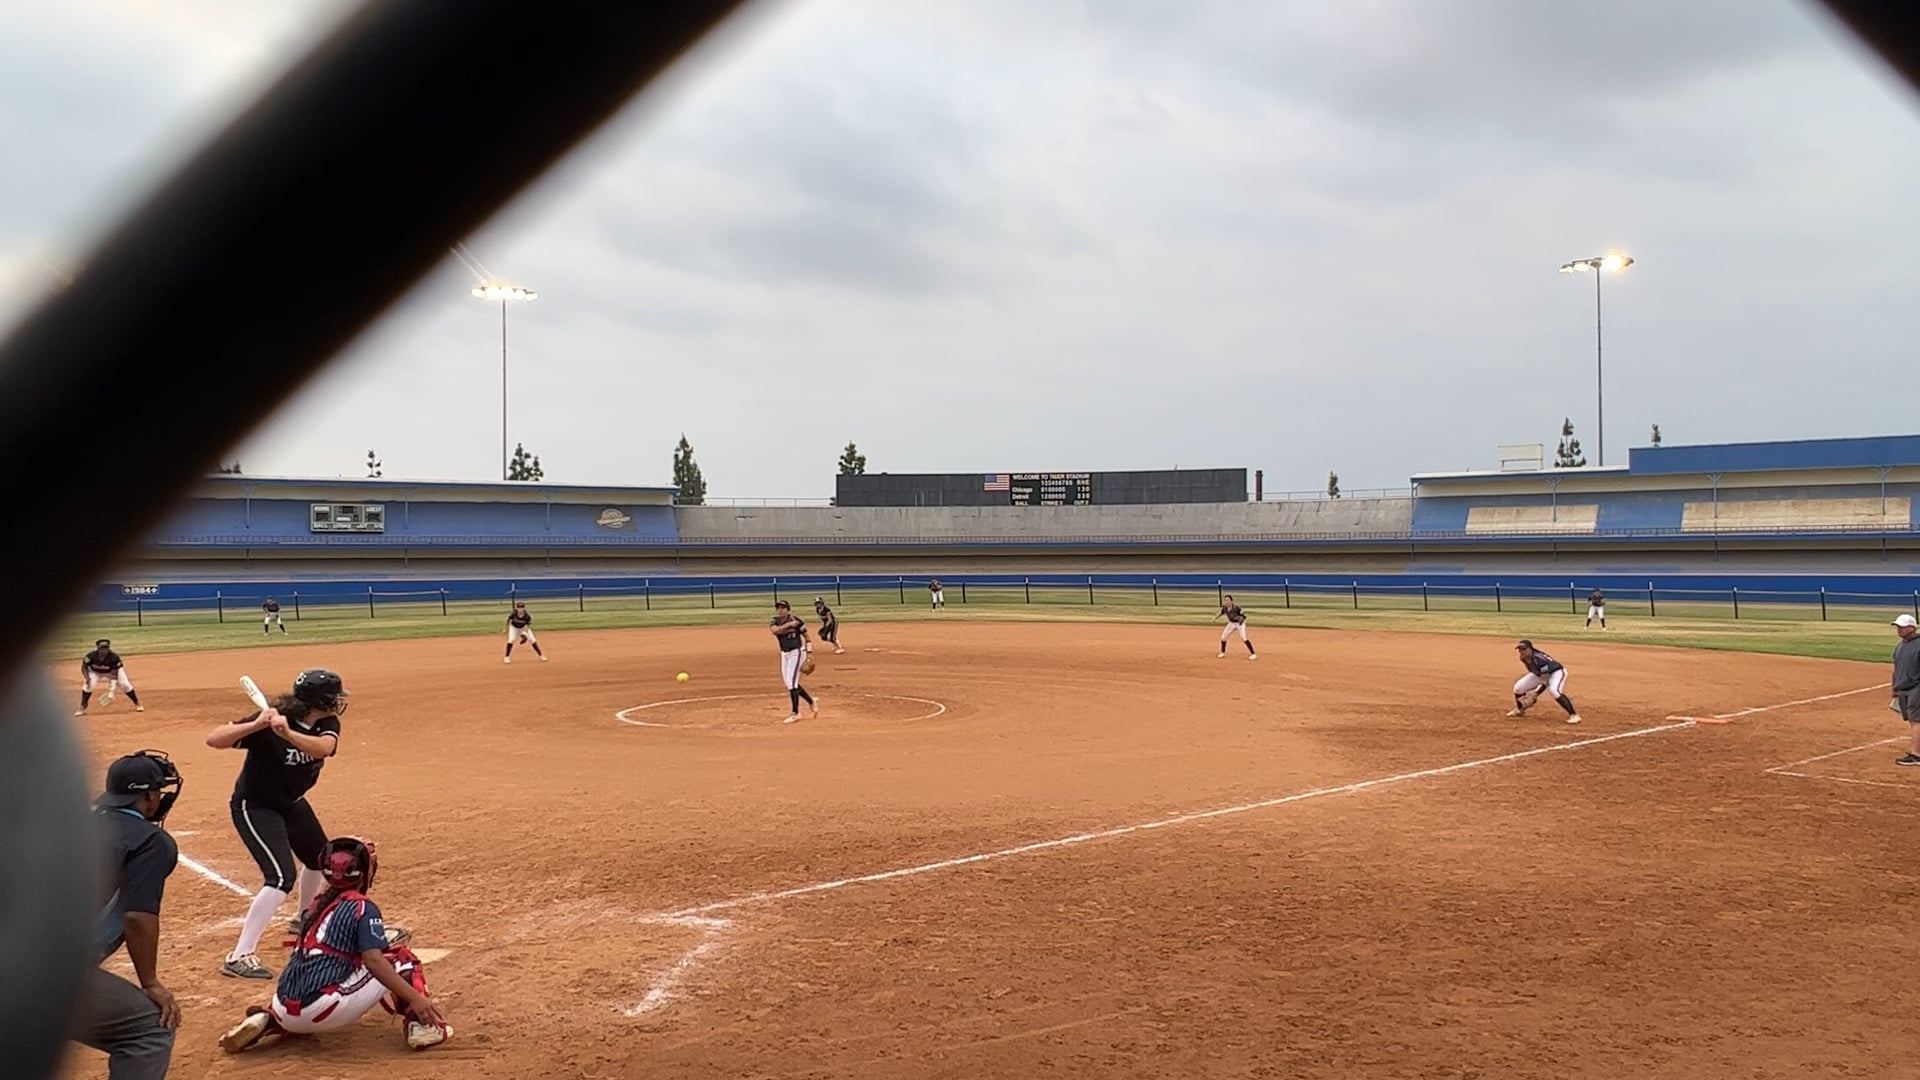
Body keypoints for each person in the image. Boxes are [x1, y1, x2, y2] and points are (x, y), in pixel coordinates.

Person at [219, 836, 451, 1054]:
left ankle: (269, 1018)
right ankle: (421, 1026)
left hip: (283, 1006)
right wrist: (416, 999)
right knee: (399, 957)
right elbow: (373, 960)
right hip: (321, 1010)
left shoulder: (315, 906)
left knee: (319, 961)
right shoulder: (363, 907)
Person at [207, 669, 352, 980]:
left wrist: (287, 734)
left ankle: (305, 918)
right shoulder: (270, 721)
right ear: (319, 700)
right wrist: (256, 725)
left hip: (291, 802)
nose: (339, 702)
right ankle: (240, 955)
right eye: (334, 697)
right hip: (255, 805)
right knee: (280, 877)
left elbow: (324, 748)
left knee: (320, 858)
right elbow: (214, 739)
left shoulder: (326, 723)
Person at [72, 750, 182, 1080]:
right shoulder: (151, 841)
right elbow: (137, 918)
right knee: (149, 1031)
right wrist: (150, 982)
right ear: (149, 797)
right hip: (41, 971)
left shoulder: (70, 824)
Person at [1507, 640, 1582, 724]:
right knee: (1518, 688)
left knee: (1554, 691)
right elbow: (1538, 674)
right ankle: (1520, 709)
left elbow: (1546, 679)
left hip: (1556, 672)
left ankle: (1574, 715)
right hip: (1541, 674)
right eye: (1519, 649)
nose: (1521, 652)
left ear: (1530, 649)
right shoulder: (1524, 658)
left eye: (1524, 649)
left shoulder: (1540, 659)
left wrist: (1536, 693)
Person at [770, 600, 818, 724]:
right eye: (778, 608)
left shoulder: (797, 621)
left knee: (792, 683)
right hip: (784, 654)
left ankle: (795, 713)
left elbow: (807, 638)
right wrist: (789, 625)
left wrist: (809, 654)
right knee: (789, 683)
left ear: (788, 609)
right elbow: (774, 631)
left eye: (783, 608)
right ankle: (811, 701)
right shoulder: (775, 621)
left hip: (796, 653)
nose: (780, 610)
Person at [78, 638, 144, 716]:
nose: (104, 650)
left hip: (111, 671)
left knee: (125, 684)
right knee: (88, 685)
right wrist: (87, 678)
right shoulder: (90, 656)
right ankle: (82, 707)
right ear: (98, 648)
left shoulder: (114, 657)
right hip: (95, 672)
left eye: (106, 648)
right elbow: (84, 667)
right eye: (102, 648)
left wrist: (111, 691)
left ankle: (137, 703)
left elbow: (114, 674)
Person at [1889, 614, 1920, 767]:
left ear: (1912, 628)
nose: (1899, 629)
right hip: (1903, 688)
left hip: (1916, 688)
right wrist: (1894, 687)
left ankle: (1916, 755)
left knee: (1916, 720)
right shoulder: (1900, 646)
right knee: (1913, 720)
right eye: (1898, 627)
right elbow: (1896, 668)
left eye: (1902, 627)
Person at [1217, 594, 1257, 660]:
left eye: (1228, 600)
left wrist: (1241, 619)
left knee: (1243, 637)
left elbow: (1243, 616)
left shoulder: (1236, 608)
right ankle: (1222, 653)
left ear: (1231, 601)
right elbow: (1221, 613)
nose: (1226, 601)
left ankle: (1253, 654)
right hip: (1231, 623)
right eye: (1225, 600)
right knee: (1223, 637)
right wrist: (1215, 618)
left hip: (1239, 624)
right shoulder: (1225, 608)